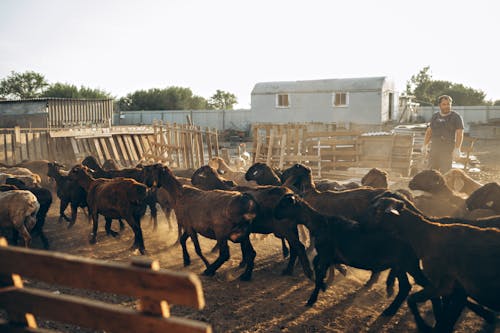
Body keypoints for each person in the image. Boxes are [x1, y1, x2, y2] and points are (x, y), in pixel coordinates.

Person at [422, 95, 464, 173]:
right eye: (444, 104)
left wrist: (457, 149)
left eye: (448, 104)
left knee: (446, 173)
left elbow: (460, 133)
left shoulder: (456, 117)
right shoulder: (435, 116)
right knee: (431, 173)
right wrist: (425, 145)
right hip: (434, 149)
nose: (447, 106)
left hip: (447, 150)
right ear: (440, 105)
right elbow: (429, 132)